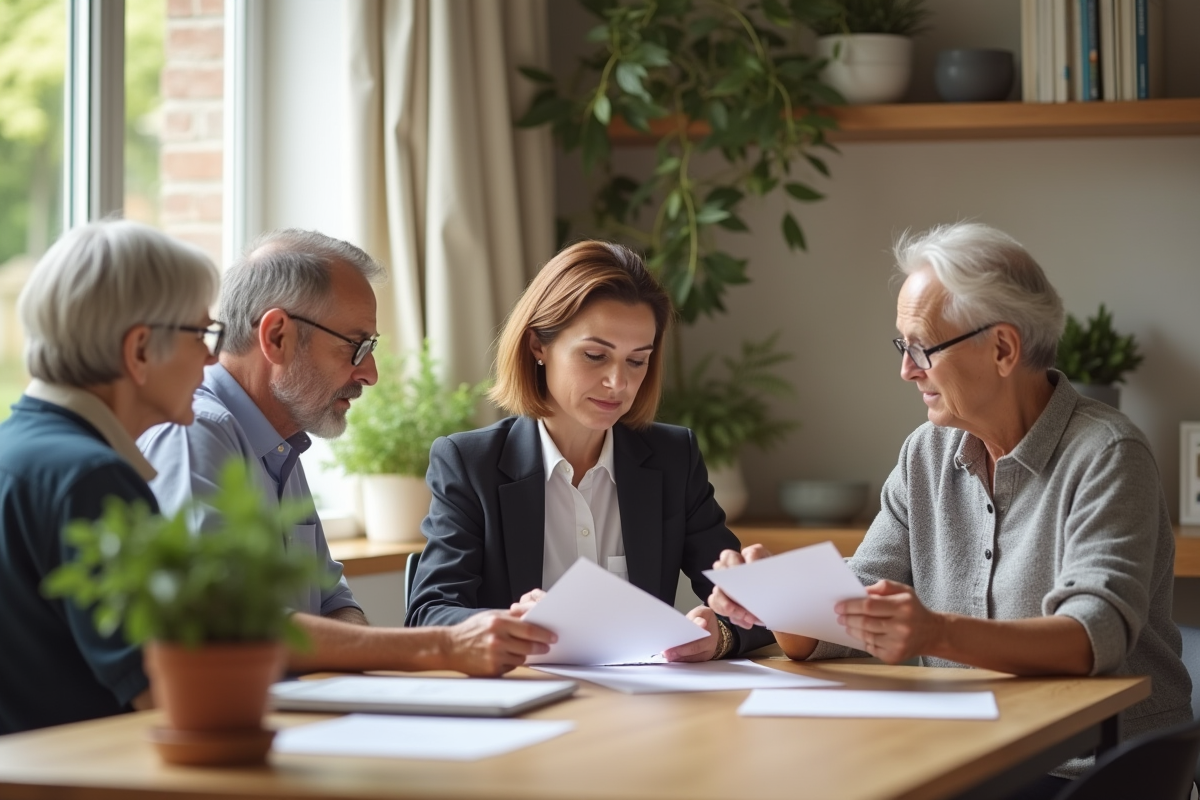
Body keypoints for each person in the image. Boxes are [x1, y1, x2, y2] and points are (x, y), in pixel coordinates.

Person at [709, 222, 1192, 793]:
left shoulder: (1107, 453)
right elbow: (845, 618)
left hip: (1098, 770)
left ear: (1004, 349)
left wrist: (933, 633)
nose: (907, 369)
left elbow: (1093, 638)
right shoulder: (926, 453)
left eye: (922, 347)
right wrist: (778, 598)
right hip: (972, 759)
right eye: (903, 345)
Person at [138, 229, 554, 677]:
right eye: (356, 346)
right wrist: (442, 646)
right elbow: (227, 627)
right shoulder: (196, 434)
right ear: (277, 336)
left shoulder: (281, 446)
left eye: (370, 348)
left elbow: (335, 603)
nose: (370, 373)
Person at [405, 240, 774, 660]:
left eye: (637, 361)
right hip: (522, 699)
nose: (618, 383)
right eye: (595, 355)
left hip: (644, 707)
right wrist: (510, 625)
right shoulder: (470, 463)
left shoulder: (674, 458)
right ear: (537, 346)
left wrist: (723, 631)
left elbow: (751, 611)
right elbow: (429, 614)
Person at [0, 221, 221, 734]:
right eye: (202, 333)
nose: (212, 358)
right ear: (140, 350)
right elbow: (168, 692)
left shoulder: (18, 452)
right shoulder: (91, 479)